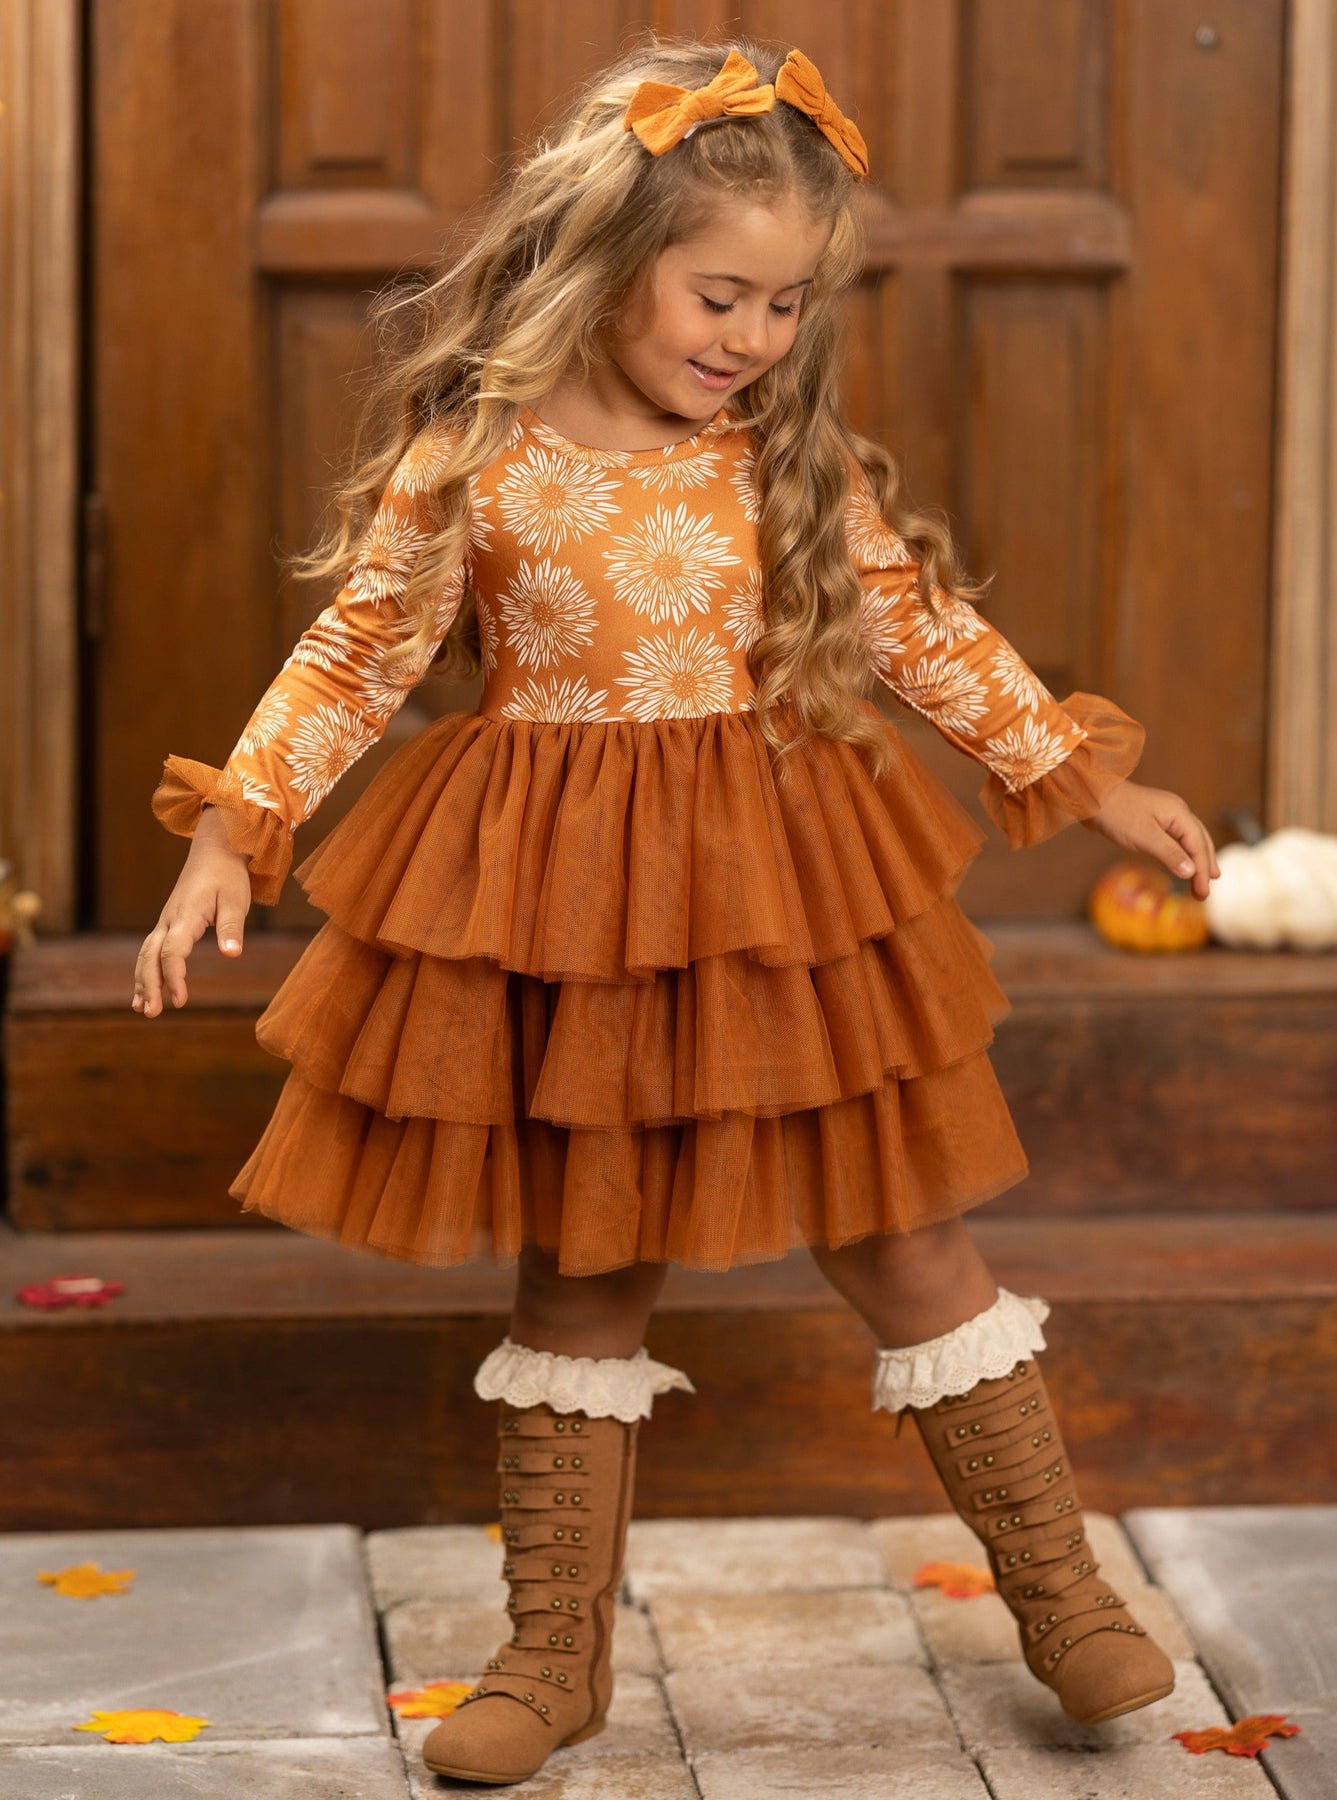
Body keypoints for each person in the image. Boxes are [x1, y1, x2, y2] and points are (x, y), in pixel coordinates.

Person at [134, 38, 1218, 1786]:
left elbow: (914, 628)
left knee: (904, 1235)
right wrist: (230, 833)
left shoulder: (777, 453)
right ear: (610, 254)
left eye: (786, 307)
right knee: (582, 1271)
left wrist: (1083, 780)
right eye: (722, 297)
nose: (753, 338)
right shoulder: (477, 454)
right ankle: (551, 1656)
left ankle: (1061, 1594)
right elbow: (357, 652)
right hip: (567, 905)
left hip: (777, 891)